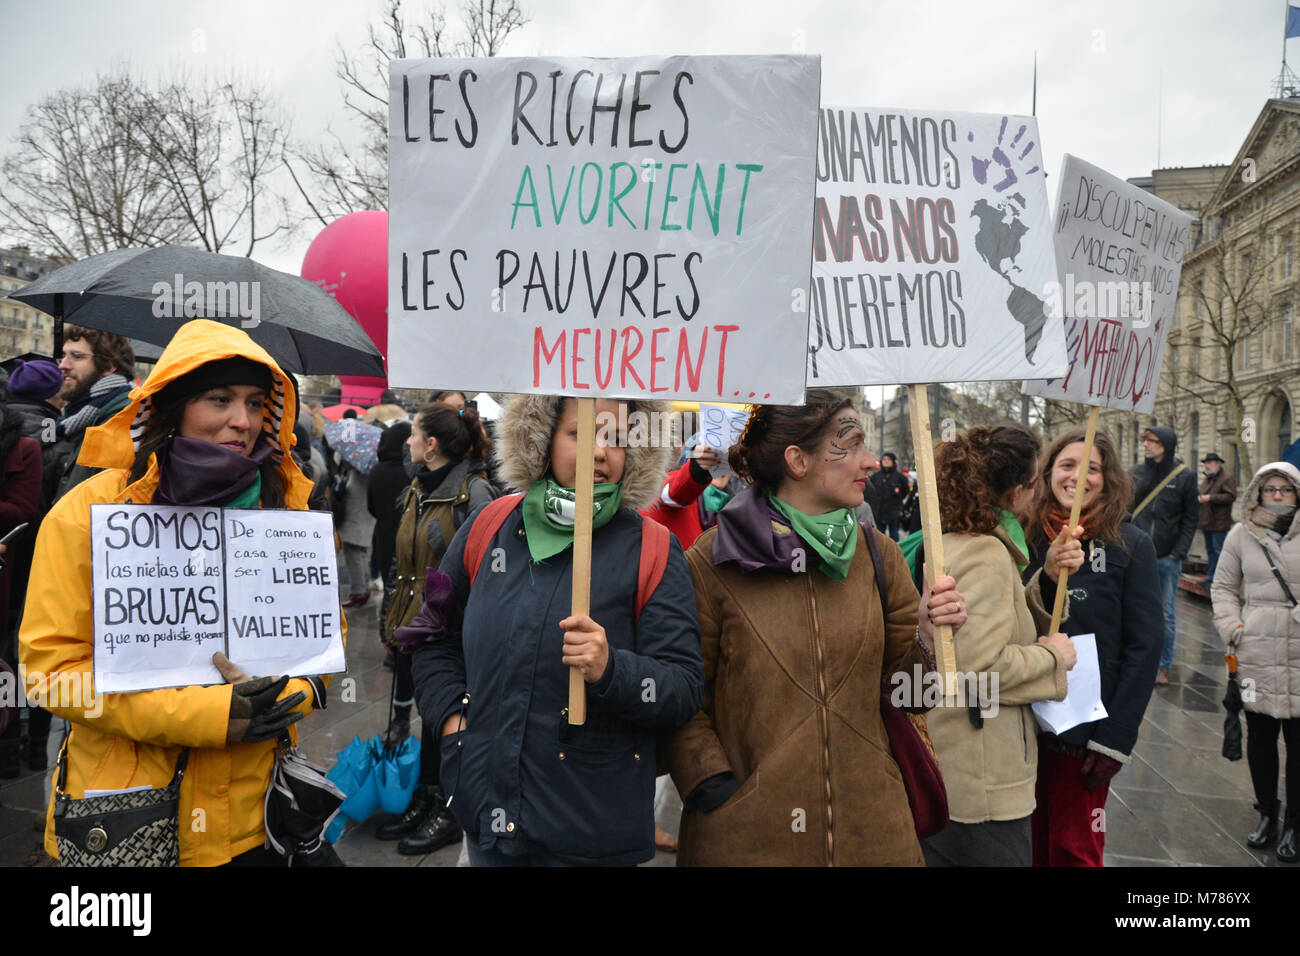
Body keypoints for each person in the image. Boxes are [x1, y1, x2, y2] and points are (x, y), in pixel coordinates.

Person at [19, 319, 335, 866]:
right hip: (131, 821)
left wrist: (285, 694)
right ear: (174, 405)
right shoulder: (90, 513)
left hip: (257, 819)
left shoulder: (284, 512)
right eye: (219, 399)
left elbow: (320, 648)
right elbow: (52, 674)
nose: (243, 421)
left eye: (257, 402)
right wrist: (210, 715)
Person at [666, 389, 969, 865]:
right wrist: (715, 790)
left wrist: (929, 638)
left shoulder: (879, 557)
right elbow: (682, 698)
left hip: (875, 836)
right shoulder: (711, 560)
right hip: (749, 843)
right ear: (798, 460)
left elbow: (910, 697)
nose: (871, 462)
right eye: (852, 446)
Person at [407, 394, 705, 865]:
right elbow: (431, 636)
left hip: (592, 834)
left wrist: (613, 670)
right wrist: (453, 725)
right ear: (543, 440)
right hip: (485, 816)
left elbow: (683, 688)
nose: (600, 452)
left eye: (617, 439)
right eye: (580, 434)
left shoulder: (653, 548)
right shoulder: (490, 525)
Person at [921, 423, 1075, 867]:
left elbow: (996, 627)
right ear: (1019, 492)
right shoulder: (986, 552)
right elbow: (977, 672)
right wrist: (1053, 659)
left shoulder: (967, 542)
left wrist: (1045, 578)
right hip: (982, 780)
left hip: (967, 771)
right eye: (1036, 483)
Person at [1026, 428, 1162, 866]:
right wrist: (1046, 576)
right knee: (1025, 843)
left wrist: (1114, 740)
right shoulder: (1024, 537)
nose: (1078, 476)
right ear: (1048, 473)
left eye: (1092, 468)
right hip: (1022, 721)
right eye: (1067, 465)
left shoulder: (1130, 545)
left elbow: (1145, 647)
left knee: (1073, 847)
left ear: (1109, 478)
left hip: (1085, 734)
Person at [376, 404, 494, 856]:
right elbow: (399, 562)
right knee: (424, 718)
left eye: (413, 435)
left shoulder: (474, 493)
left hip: (450, 633)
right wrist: (391, 619)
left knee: (444, 718)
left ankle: (448, 809)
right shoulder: (416, 488)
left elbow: (487, 571)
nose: (406, 442)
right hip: (411, 629)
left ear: (431, 445)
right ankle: (426, 798)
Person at [1211, 462, 1300, 863]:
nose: (1278, 496)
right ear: (1259, 493)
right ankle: (1267, 813)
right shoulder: (1240, 535)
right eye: (1270, 489)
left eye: (1286, 489)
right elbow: (1224, 586)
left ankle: (1296, 823)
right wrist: (1233, 628)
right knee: (1260, 739)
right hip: (1255, 653)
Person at [1130, 425, 1198, 686]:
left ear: (1166, 446)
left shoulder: (1184, 477)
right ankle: (1136, 660)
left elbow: (1191, 518)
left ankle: (1163, 666)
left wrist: (1177, 553)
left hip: (1166, 559)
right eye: (1145, 440)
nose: (1146, 445)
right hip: (1135, 556)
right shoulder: (1135, 474)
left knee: (1165, 614)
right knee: (1133, 610)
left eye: (1153, 441)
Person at [0, 397, 44, 777]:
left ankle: (11, 753)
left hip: (10, 579)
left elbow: (24, 512)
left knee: (7, 667)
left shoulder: (24, 446)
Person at [47, 326, 136, 502]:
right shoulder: (78, 418)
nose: (63, 365)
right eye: (64, 356)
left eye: (77, 356)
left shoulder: (120, 421)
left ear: (109, 366)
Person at [1199, 452, 1237, 585]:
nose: (1207, 466)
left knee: (1219, 551)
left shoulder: (1226, 478)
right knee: (1210, 550)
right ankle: (1211, 576)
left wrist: (1210, 498)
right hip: (1207, 522)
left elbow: (1231, 496)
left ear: (1217, 464)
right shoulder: (1207, 479)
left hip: (1219, 522)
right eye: (1206, 463)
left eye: (1209, 463)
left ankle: (1220, 579)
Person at [869, 451, 909, 540]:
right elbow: (871, 492)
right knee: (879, 537)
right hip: (879, 512)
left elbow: (905, 492)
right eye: (884, 459)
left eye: (888, 459)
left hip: (894, 513)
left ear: (893, 462)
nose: (886, 461)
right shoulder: (876, 476)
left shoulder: (900, 477)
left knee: (894, 537)